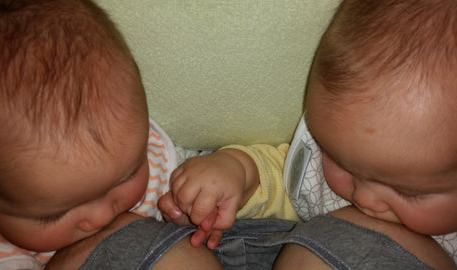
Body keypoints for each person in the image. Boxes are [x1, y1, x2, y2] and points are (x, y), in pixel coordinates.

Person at [0, 0, 295, 268]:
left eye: (125, 177)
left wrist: (212, 191)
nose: (103, 214)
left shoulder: (145, 154)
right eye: (54, 215)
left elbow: (252, 191)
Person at [159, 0, 457, 267]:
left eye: (408, 192)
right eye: (342, 163)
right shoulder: (339, 156)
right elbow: (291, 181)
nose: (365, 198)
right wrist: (237, 172)